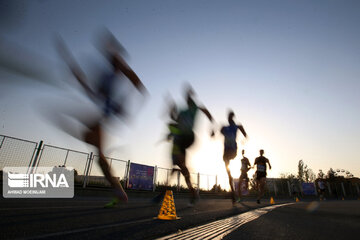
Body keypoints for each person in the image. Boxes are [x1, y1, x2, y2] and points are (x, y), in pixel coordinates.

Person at [56, 32, 147, 208]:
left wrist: (124, 104)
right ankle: (119, 192)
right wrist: (74, 71)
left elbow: (135, 81)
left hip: (105, 115)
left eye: (114, 56)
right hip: (104, 114)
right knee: (99, 156)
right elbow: (91, 92)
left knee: (90, 142)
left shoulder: (117, 71)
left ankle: (119, 192)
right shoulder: (106, 75)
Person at [166, 85, 215, 205]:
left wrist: (212, 125)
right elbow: (175, 119)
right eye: (187, 98)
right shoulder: (183, 111)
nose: (189, 101)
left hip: (189, 137)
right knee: (182, 167)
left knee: (180, 162)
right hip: (183, 139)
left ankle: (183, 168)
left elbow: (206, 111)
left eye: (190, 98)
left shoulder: (194, 108)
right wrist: (171, 110)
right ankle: (193, 192)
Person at [220, 110, 247, 204]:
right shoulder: (225, 127)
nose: (229, 119)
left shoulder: (236, 126)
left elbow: (242, 130)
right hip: (226, 152)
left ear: (233, 118)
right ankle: (232, 193)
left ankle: (232, 187)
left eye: (231, 118)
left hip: (232, 151)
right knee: (229, 174)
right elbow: (219, 131)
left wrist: (245, 136)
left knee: (228, 163)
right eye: (228, 118)